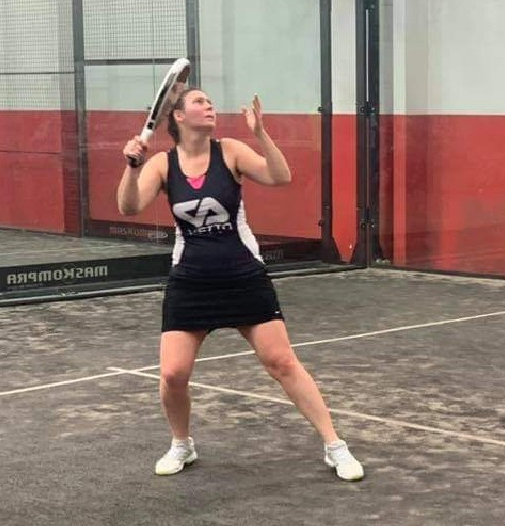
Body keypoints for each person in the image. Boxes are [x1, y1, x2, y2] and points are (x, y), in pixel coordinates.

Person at [117, 86, 364, 481]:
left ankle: (335, 446)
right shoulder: (162, 164)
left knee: (282, 362)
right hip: (191, 282)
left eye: (209, 101)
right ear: (178, 116)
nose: (209, 105)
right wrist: (132, 167)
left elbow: (280, 176)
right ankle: (182, 444)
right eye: (199, 102)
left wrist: (261, 134)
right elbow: (129, 206)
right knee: (173, 375)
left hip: (243, 276)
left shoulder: (229, 151)